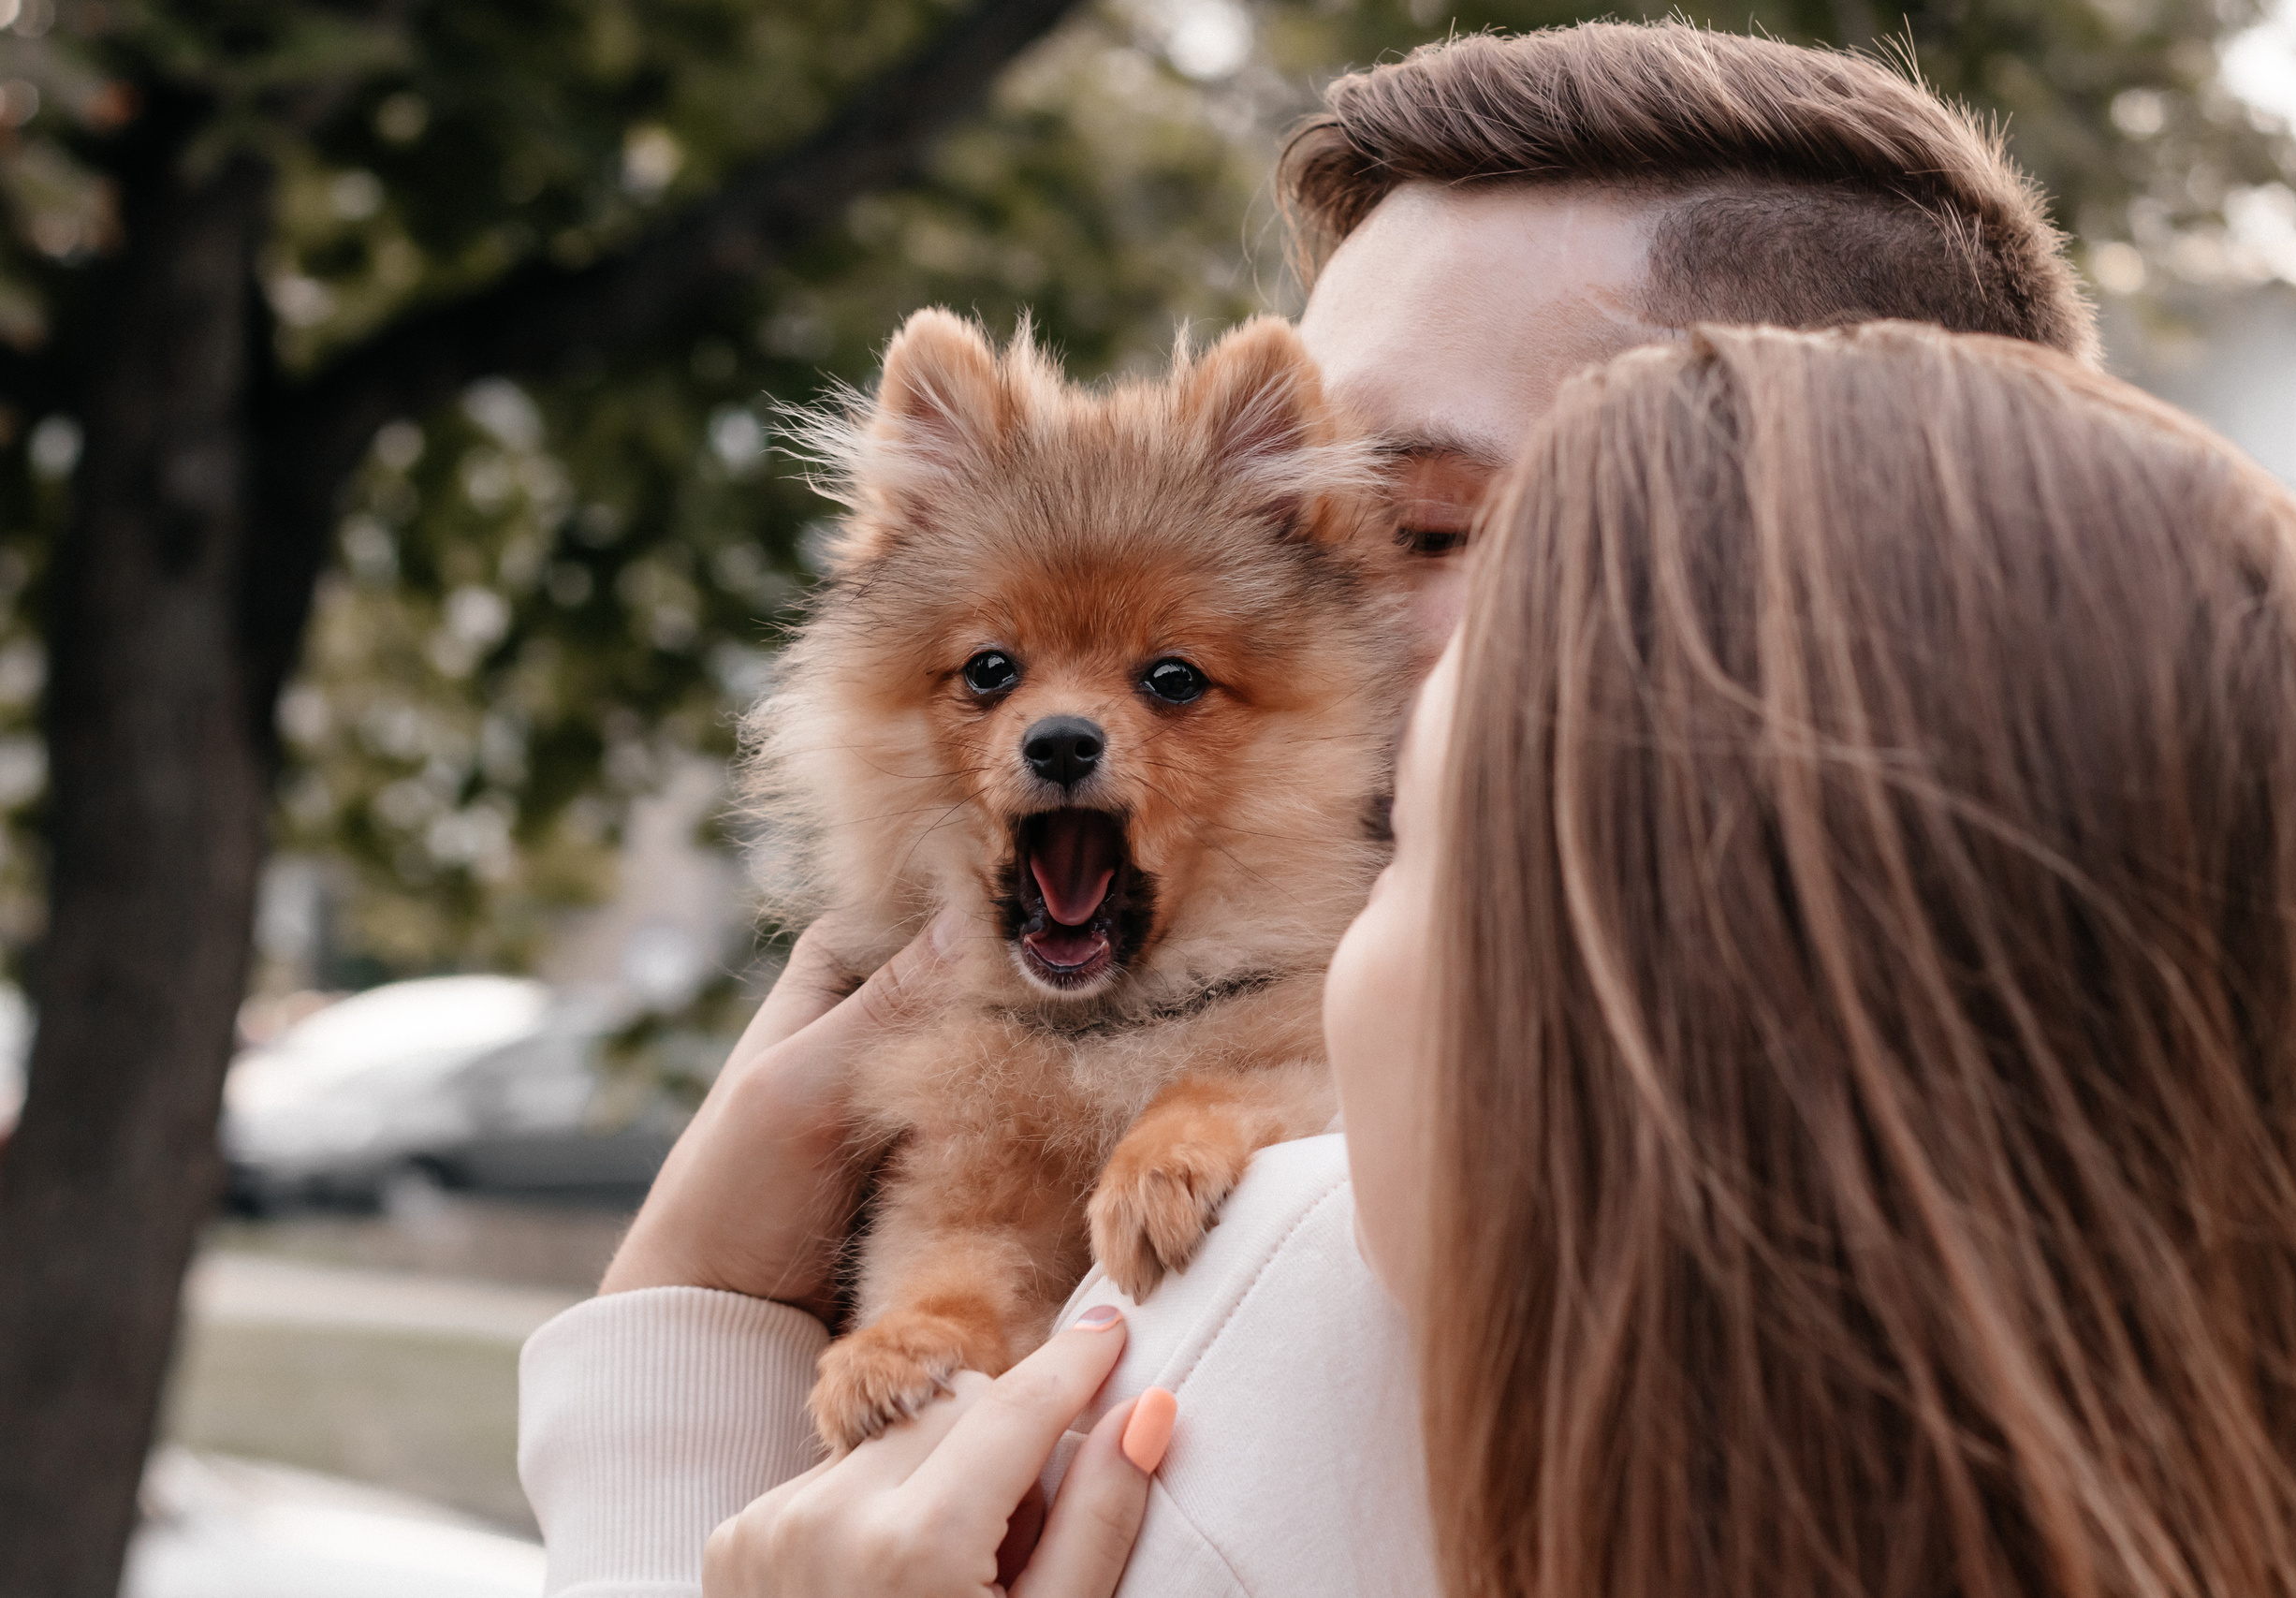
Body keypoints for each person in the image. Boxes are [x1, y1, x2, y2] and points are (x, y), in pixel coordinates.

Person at [519, 21, 2106, 1597]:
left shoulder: (1308, 1276)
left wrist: (686, 1336)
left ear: (1829, 585)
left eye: (1406, 528)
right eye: (1292, 514)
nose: (1315, 614)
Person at [710, 320, 2296, 1595]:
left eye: (1430, 528)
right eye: (993, 673)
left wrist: (675, 1350)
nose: (1383, 614)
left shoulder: (1294, 1346)